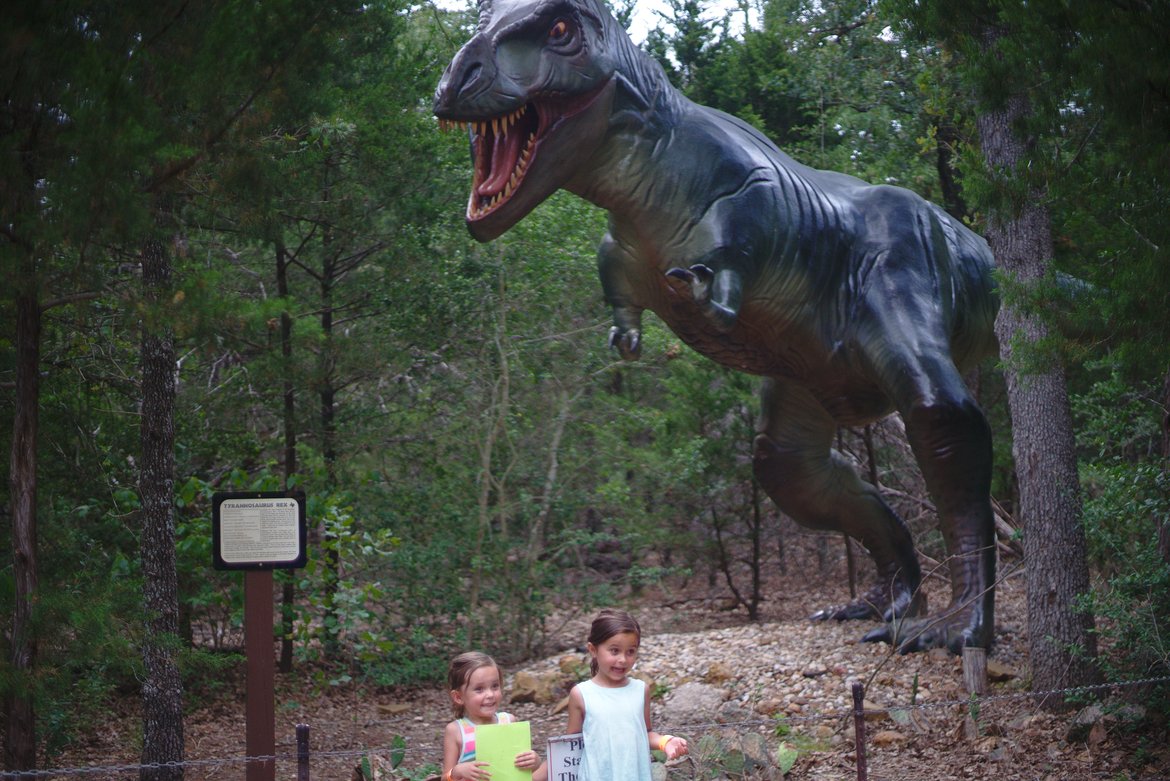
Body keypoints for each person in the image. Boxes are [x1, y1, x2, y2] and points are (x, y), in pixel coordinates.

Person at [566, 609, 688, 781]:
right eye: (614, 651)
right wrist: (535, 774)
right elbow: (569, 746)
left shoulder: (640, 690)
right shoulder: (581, 694)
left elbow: (644, 733)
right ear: (593, 649)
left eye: (630, 651)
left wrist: (666, 741)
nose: (623, 659)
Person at [442, 651, 547, 781]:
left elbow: (522, 767)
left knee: (549, 765)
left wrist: (534, 761)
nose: (490, 694)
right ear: (458, 697)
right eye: (479, 689)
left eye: (495, 686)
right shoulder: (456, 731)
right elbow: (445, 778)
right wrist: (458, 771)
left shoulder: (509, 721)